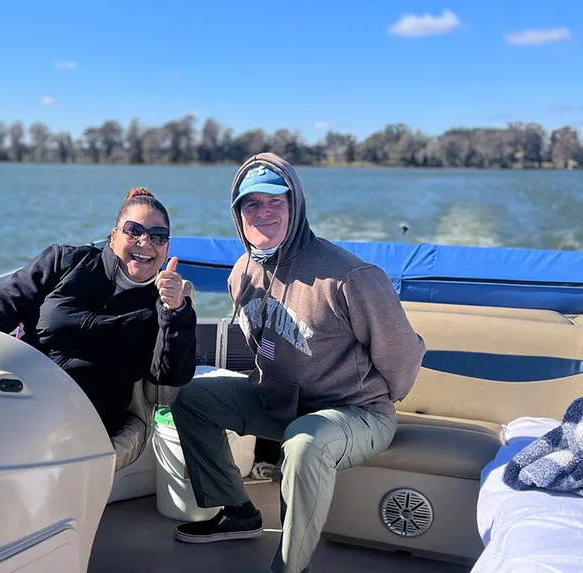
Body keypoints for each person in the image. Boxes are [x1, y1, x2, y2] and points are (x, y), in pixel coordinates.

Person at [170, 153, 426, 573]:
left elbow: (402, 355)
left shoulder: (349, 277)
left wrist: (377, 400)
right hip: (281, 405)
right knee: (190, 397)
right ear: (238, 214)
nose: (263, 212)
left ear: (296, 205)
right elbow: (260, 349)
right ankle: (238, 512)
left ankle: (290, 566)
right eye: (251, 204)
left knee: (305, 442)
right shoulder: (242, 273)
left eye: (275, 201)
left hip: (356, 412)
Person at [0, 187, 198, 436]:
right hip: (20, 387)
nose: (145, 242)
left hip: (86, 416)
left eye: (158, 236)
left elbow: (169, 377)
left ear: (167, 247)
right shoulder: (65, 262)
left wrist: (174, 311)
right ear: (113, 236)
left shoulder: (163, 306)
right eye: (134, 231)